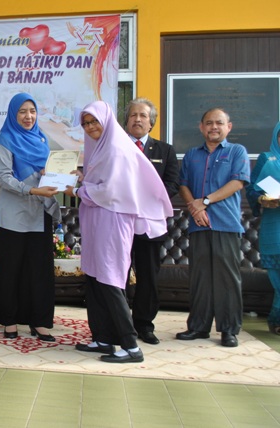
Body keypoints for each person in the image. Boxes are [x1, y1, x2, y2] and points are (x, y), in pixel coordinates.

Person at [67, 101, 172, 363]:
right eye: (86, 123)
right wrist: (80, 179)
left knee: (110, 279)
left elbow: (111, 191)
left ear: (107, 121)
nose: (90, 127)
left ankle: (131, 346)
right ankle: (103, 338)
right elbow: (100, 182)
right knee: (94, 278)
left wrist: (77, 191)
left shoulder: (117, 148)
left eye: (94, 121)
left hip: (112, 222)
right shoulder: (100, 148)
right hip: (97, 220)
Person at [0, 92, 61, 341]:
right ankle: (9, 320)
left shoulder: (41, 139)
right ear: (13, 114)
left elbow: (48, 171)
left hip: (41, 211)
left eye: (32, 111)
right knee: (10, 269)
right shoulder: (5, 140)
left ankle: (40, 322)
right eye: (22, 111)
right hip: (15, 213)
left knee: (39, 269)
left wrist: (56, 175)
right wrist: (33, 189)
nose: (28, 116)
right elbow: (4, 178)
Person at [176, 108, 250, 348]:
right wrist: (195, 209)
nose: (214, 127)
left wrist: (205, 201)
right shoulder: (191, 155)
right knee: (200, 278)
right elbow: (183, 185)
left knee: (227, 279)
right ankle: (198, 327)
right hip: (198, 224)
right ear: (201, 127)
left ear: (229, 126)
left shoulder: (237, 151)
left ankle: (229, 330)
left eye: (219, 123)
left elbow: (237, 182)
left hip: (226, 223)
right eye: (209, 123)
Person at [123, 98, 179, 345]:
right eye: (133, 115)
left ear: (151, 122)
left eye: (143, 116)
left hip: (151, 223)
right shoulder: (116, 146)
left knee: (148, 277)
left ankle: (144, 325)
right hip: (120, 222)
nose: (137, 119)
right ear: (126, 121)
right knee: (118, 276)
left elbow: (172, 184)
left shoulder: (165, 150)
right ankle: (120, 323)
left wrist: (147, 199)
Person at [246, 122, 280, 334]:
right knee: (278, 279)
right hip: (274, 226)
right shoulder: (266, 159)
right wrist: (261, 199)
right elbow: (251, 188)